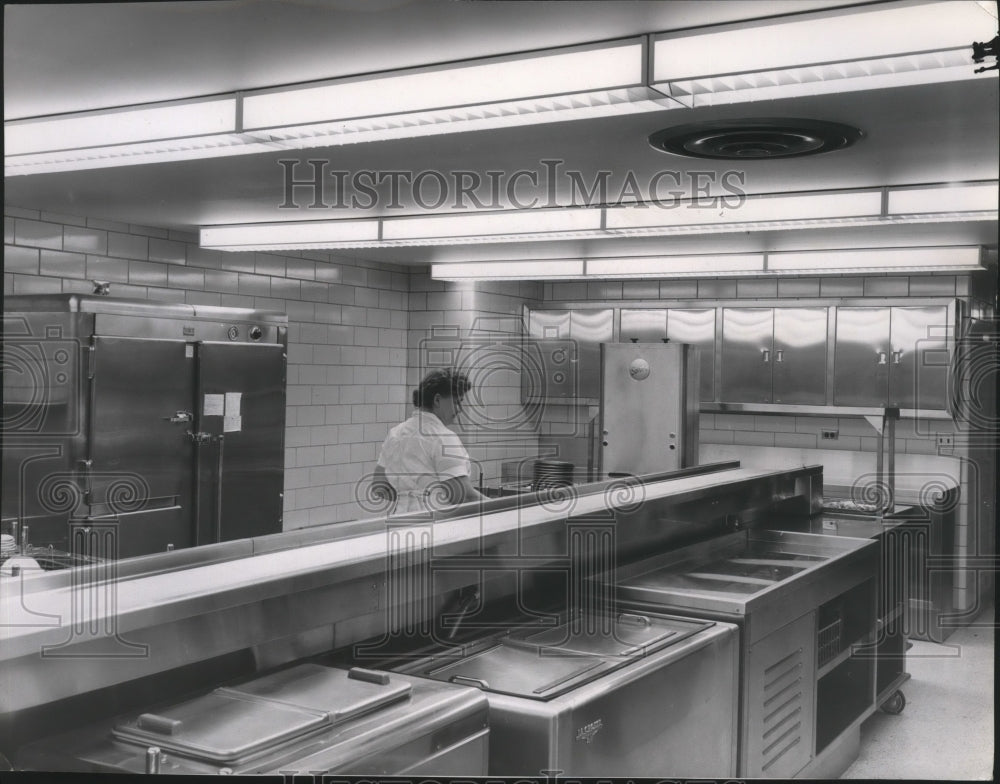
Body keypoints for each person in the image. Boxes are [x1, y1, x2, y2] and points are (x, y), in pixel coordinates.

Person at [372, 368, 486, 515]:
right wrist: (505, 510)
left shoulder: (395, 434)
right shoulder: (443, 438)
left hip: (399, 522)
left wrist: (408, 499)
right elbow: (465, 498)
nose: (460, 409)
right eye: (457, 402)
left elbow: (379, 487)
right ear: (437, 400)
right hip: (436, 525)